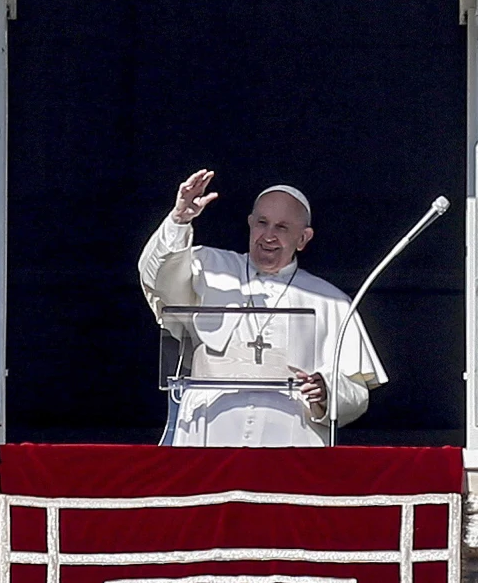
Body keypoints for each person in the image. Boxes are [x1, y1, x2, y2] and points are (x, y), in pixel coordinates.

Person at [139, 169, 387, 447]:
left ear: (303, 238)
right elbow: (157, 278)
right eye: (262, 223)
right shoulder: (208, 266)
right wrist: (179, 220)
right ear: (250, 223)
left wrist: (326, 390)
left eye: (282, 227)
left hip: (290, 437)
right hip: (208, 427)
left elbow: (356, 391)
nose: (268, 236)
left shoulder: (331, 301)